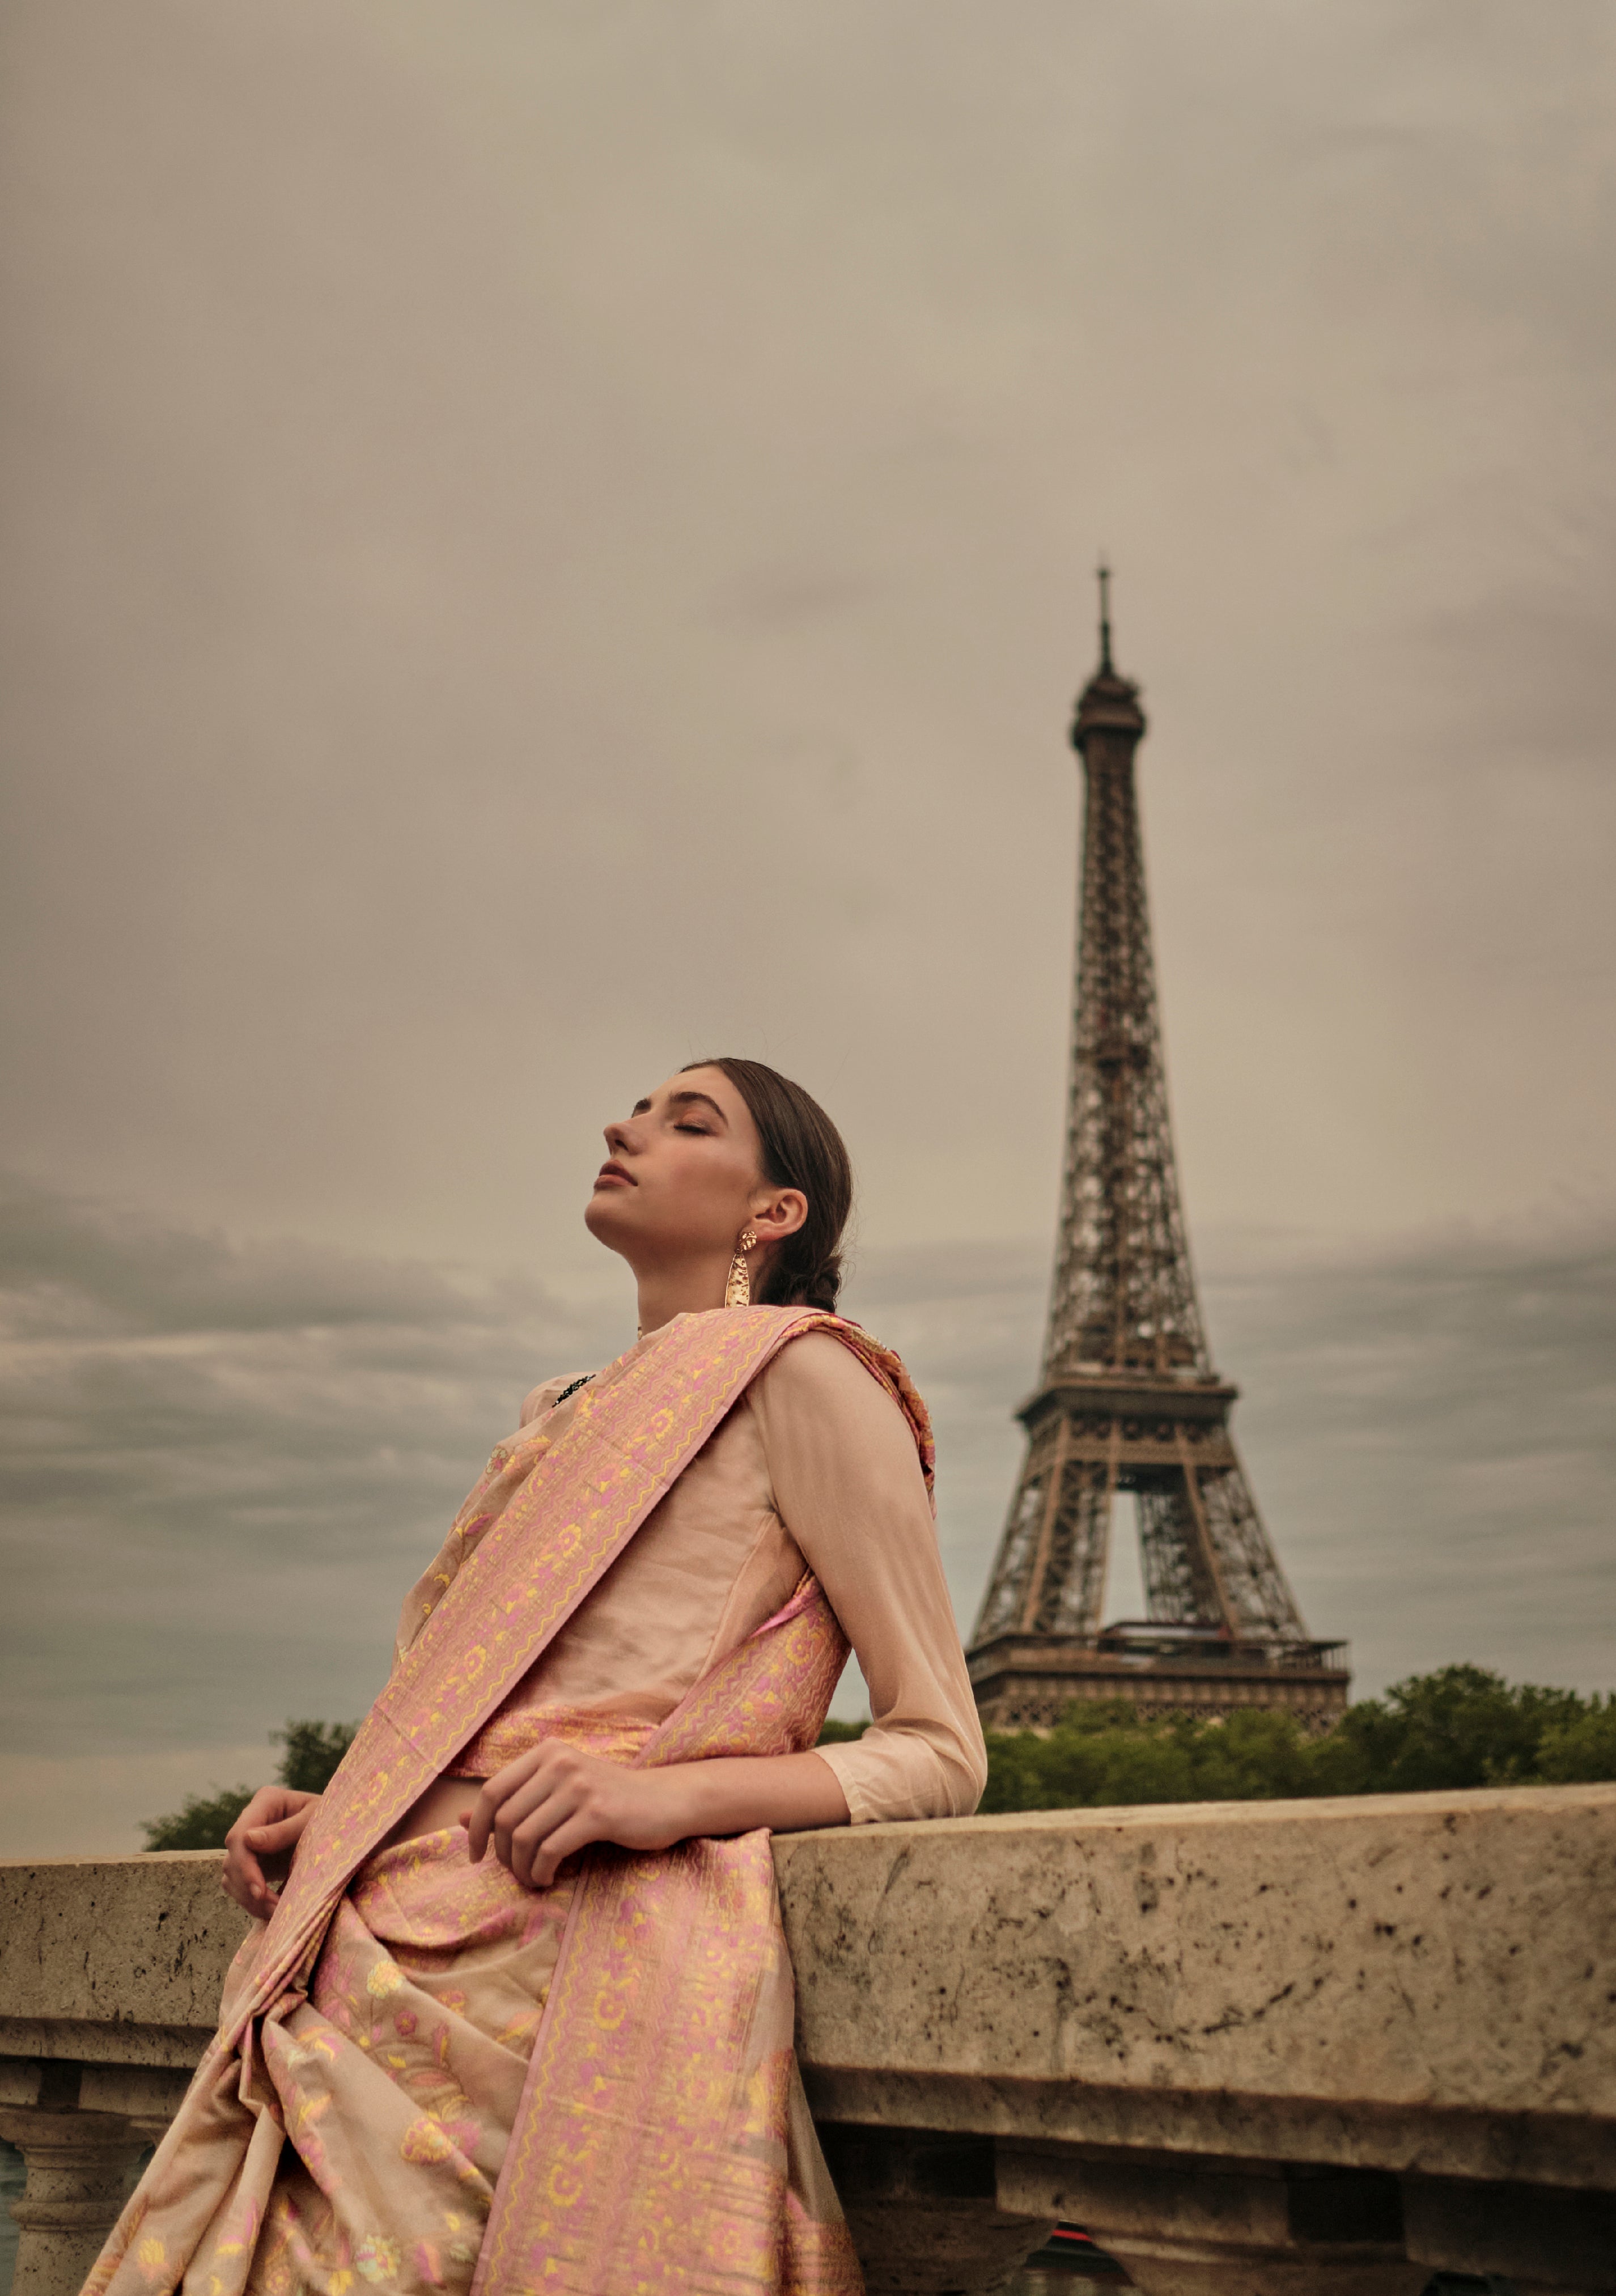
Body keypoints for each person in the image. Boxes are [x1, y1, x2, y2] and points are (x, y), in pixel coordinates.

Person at [85, 1058, 986, 2296]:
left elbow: (941, 1750)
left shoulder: (804, 1379)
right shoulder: (557, 1407)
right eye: (637, 1108)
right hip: (365, 1958)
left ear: (772, 1212)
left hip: (562, 1989)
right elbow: (496, 1707)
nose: (625, 1127)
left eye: (688, 1120)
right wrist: (342, 1801)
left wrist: (660, 1799)